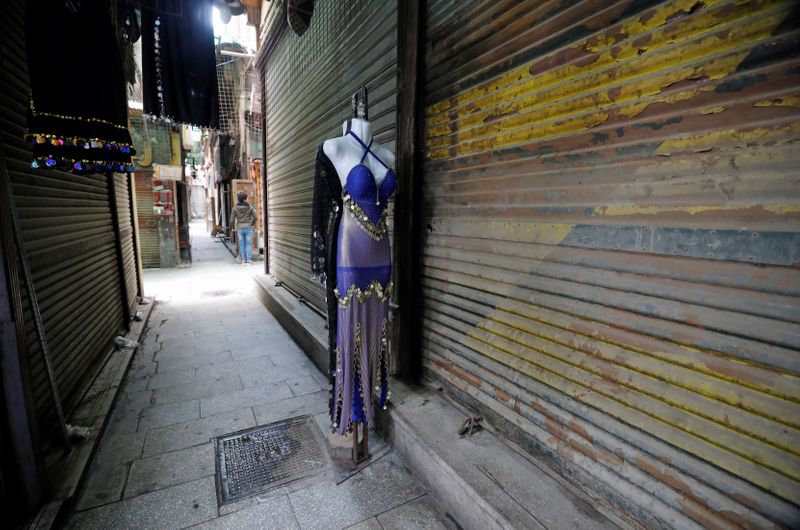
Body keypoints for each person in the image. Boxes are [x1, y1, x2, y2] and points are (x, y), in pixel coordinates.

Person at [231, 191, 257, 265]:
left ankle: (243, 261)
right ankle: (248, 260)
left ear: (238, 199)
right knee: (248, 244)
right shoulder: (250, 207)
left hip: (240, 228)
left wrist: (231, 227)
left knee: (241, 244)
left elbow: (231, 220)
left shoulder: (235, 208)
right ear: (245, 199)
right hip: (249, 227)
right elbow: (255, 216)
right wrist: (253, 223)